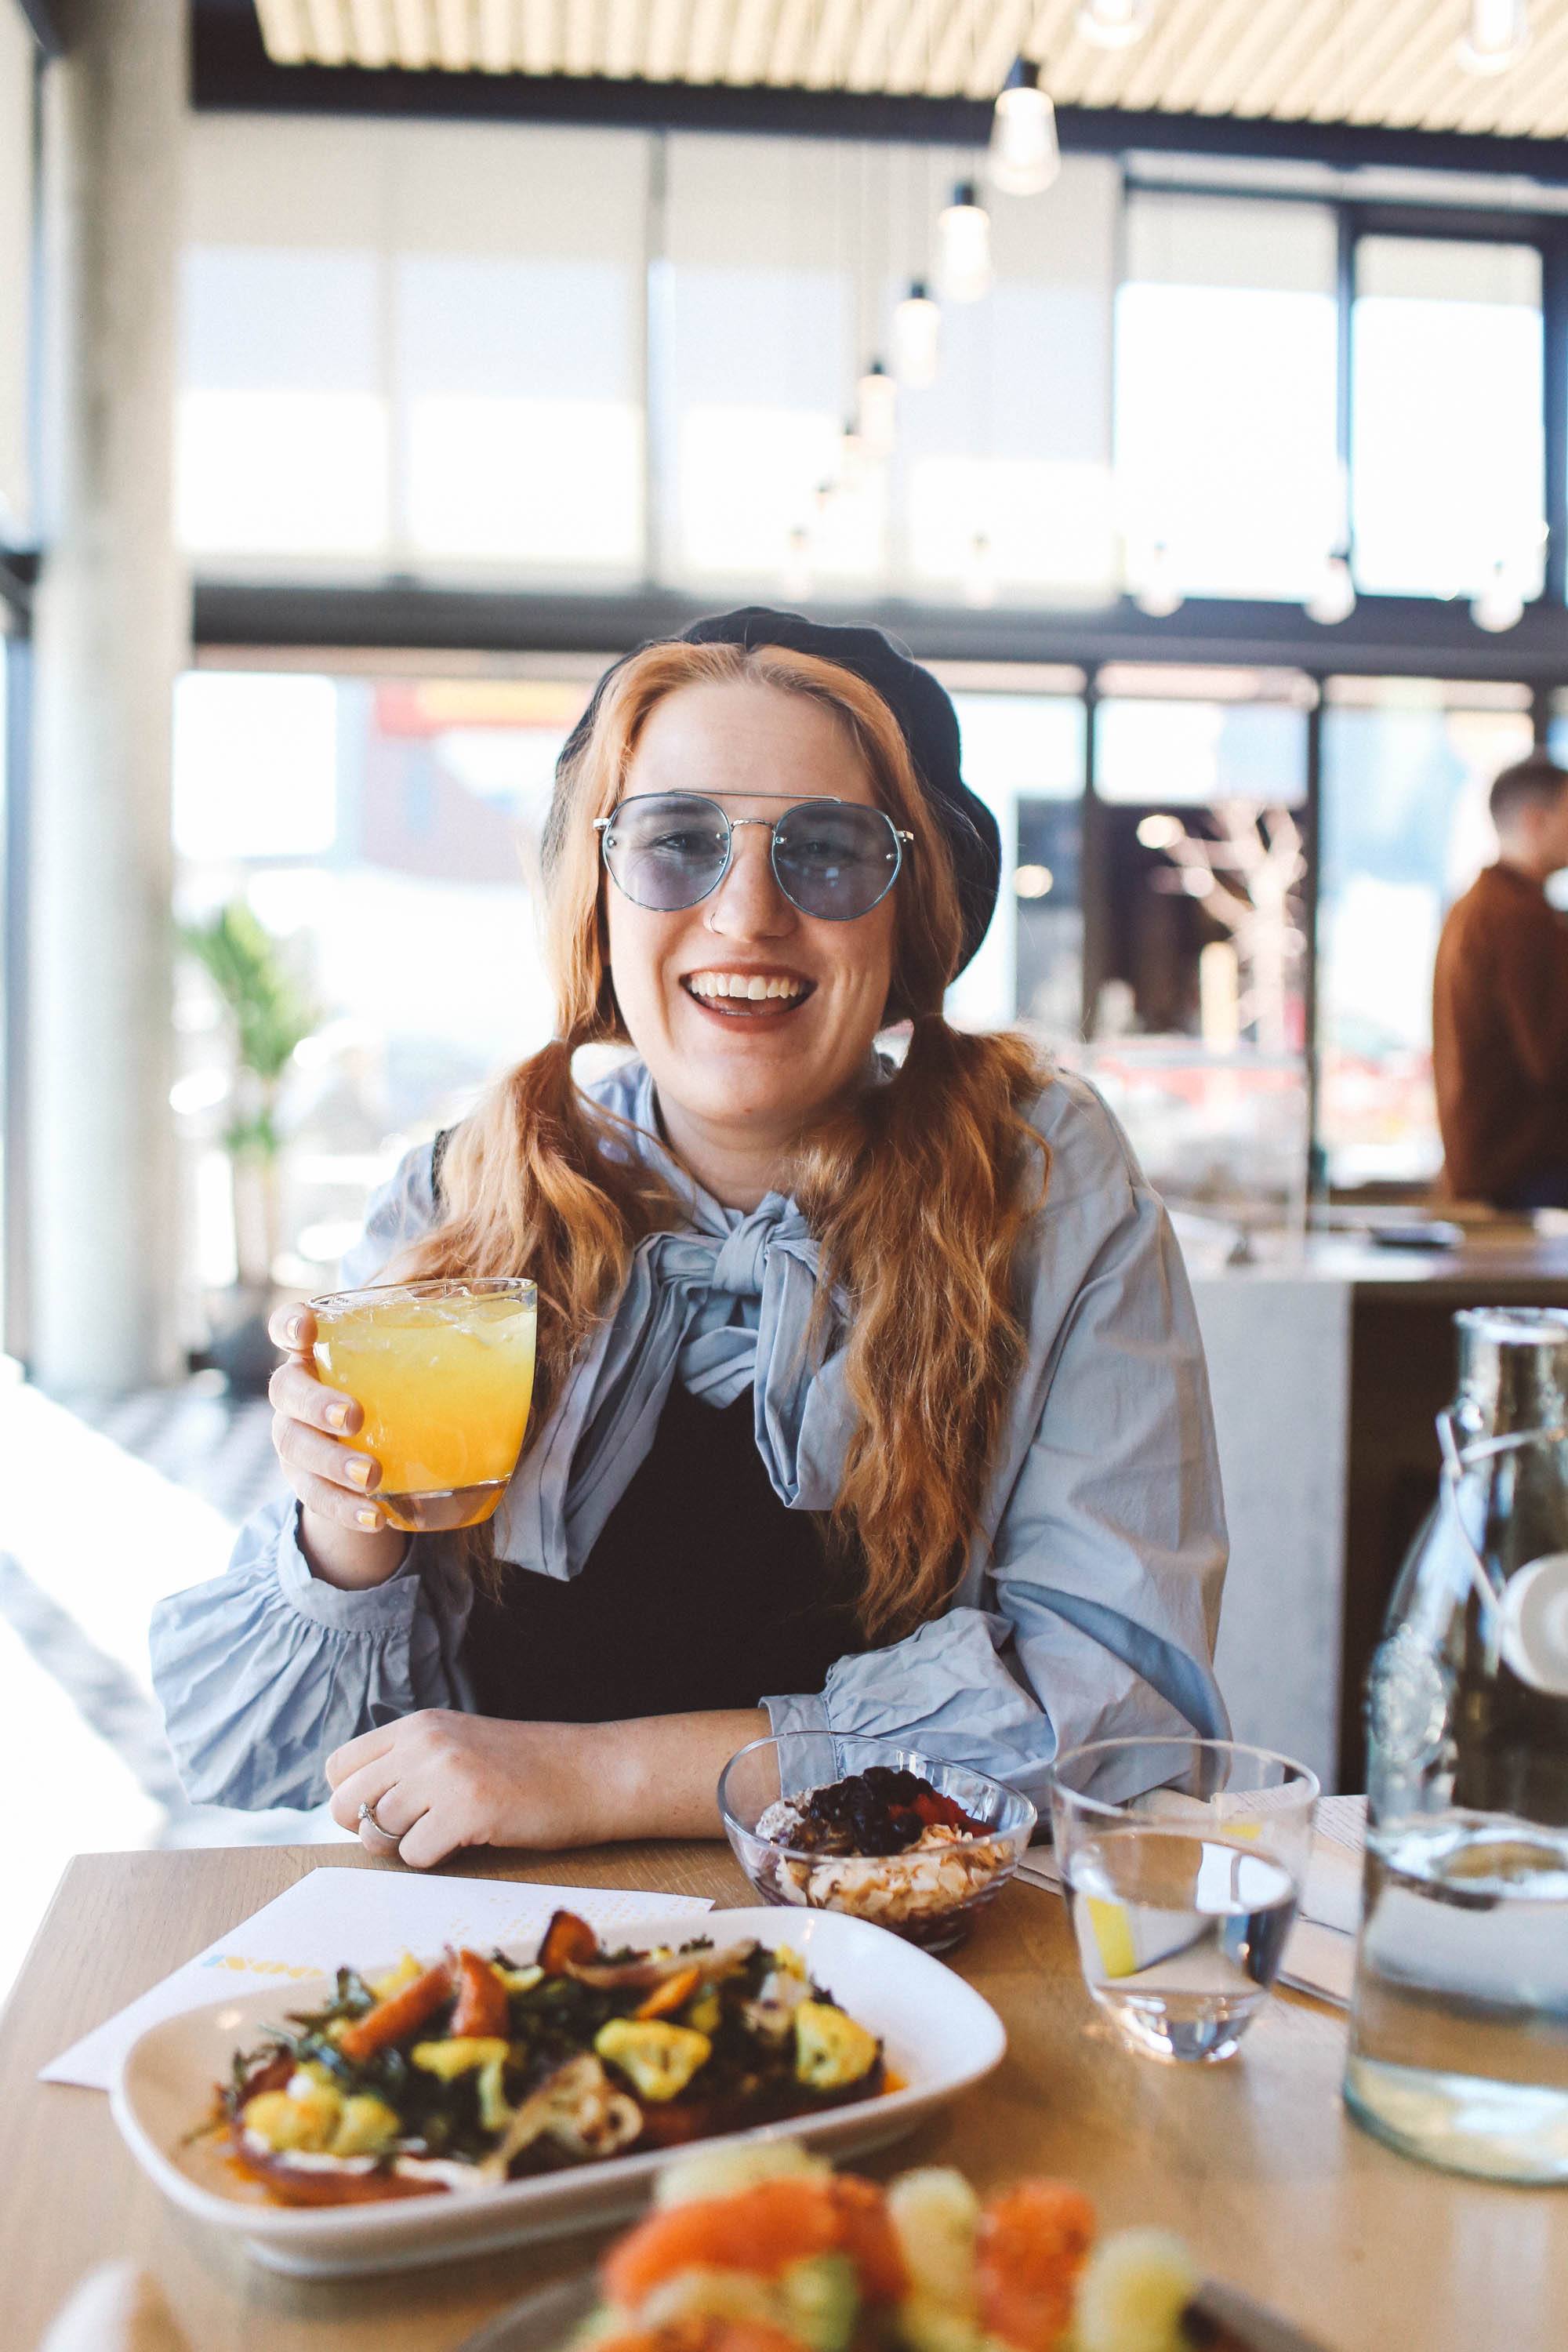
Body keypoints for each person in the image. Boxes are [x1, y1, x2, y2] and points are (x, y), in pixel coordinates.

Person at [152, 610, 1229, 1869]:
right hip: (512, 1971)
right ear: (599, 899)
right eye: (677, 845)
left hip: (926, 1961)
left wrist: (597, 1774)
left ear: (911, 920)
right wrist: (349, 1532)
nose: (748, 912)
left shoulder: (1041, 1190)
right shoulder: (468, 1192)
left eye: (827, 853)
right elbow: (266, 1761)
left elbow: (1122, 1725)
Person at [1432, 750, 1568, 1210]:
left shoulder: (1474, 905)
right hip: (1525, 1172)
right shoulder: (1518, 917)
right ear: (1536, 820)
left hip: (1485, 1166)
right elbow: (1551, 1056)